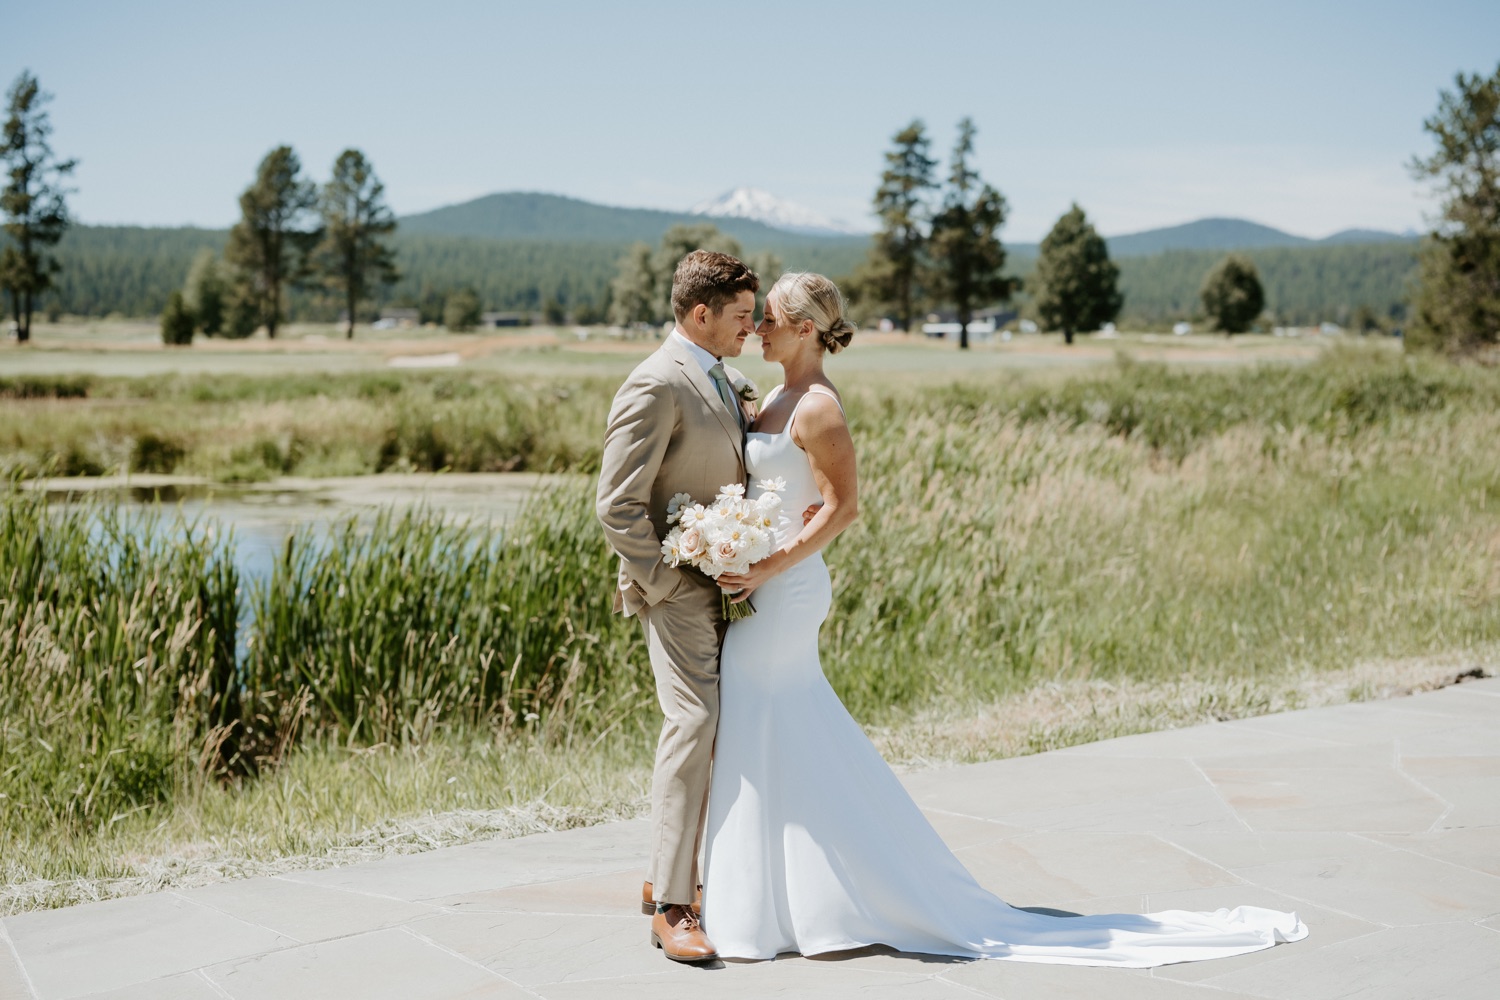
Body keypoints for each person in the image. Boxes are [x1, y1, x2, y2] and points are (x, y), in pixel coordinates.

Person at [700, 271, 1310, 966]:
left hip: (787, 590)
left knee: (767, 712)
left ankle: (800, 898)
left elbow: (843, 509)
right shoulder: (774, 394)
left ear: (805, 328)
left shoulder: (817, 408)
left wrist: (767, 564)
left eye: (771, 319)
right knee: (775, 726)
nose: (758, 329)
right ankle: (784, 896)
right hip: (763, 583)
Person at [596, 250, 760, 962]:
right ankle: (673, 905)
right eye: (741, 317)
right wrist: (664, 582)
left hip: (728, 588)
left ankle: (671, 872)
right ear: (701, 314)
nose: (751, 330)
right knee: (692, 723)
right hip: (678, 590)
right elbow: (616, 505)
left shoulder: (725, 376)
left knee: (728, 727)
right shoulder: (654, 383)